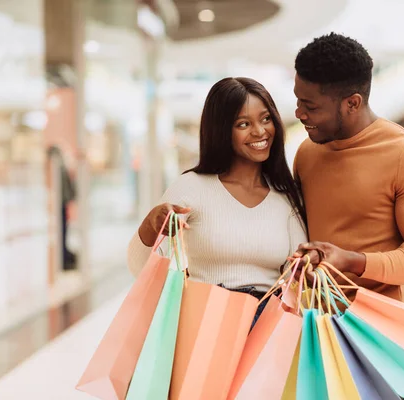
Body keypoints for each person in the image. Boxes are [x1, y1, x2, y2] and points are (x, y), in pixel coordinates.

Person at [127, 77, 307, 325]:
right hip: (206, 324)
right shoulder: (192, 187)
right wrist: (151, 225)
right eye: (243, 124)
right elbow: (139, 267)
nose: (259, 131)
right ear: (222, 130)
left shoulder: (286, 196)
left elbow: (299, 279)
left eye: (266, 119)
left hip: (268, 329)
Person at [291, 33, 404, 303]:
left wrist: (353, 261)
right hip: (313, 321)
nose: (299, 114)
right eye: (298, 101)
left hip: (376, 330)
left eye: (310, 106)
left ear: (352, 103)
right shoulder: (307, 151)